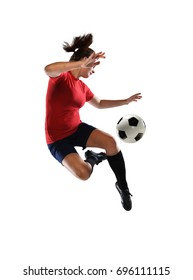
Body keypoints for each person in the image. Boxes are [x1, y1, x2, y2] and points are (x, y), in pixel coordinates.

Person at [44, 33, 142, 211]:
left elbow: (99, 103)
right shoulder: (61, 78)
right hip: (57, 138)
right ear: (83, 61)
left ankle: (123, 188)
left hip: (76, 129)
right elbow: (48, 69)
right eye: (92, 66)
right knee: (84, 174)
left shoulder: (82, 86)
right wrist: (79, 64)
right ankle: (93, 158)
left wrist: (125, 101)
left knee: (111, 143)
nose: (93, 70)